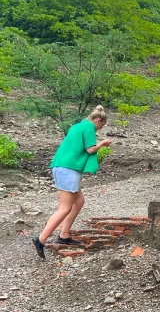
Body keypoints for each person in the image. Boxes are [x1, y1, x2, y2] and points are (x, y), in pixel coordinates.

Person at [32, 105, 112, 259]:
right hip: (68, 169)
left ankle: (64, 235)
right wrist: (102, 143)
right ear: (99, 120)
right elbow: (90, 149)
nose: (100, 129)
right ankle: (40, 240)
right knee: (64, 208)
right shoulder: (89, 127)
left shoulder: (78, 125)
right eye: (101, 125)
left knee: (79, 201)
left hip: (62, 167)